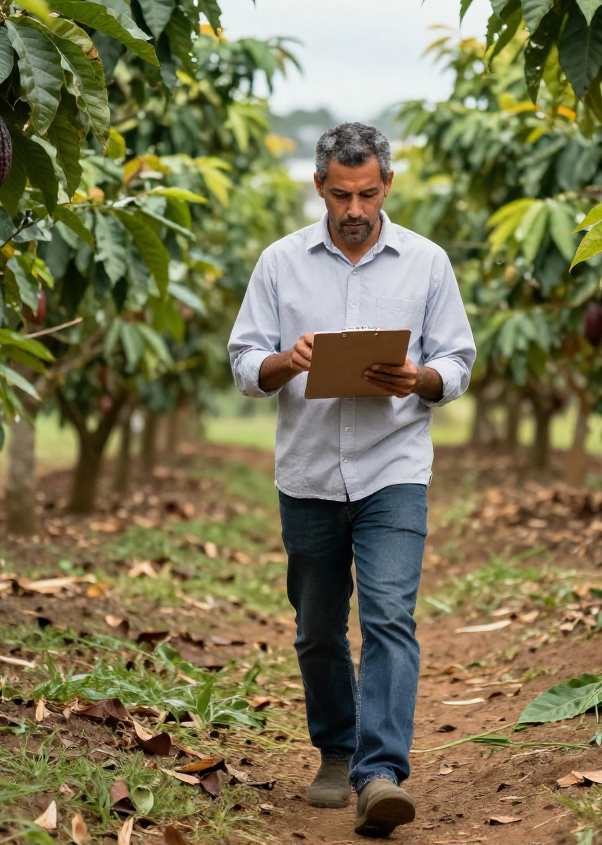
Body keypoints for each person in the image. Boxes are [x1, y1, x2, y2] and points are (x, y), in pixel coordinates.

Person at [228, 122, 476, 837]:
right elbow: (244, 362)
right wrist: (289, 360)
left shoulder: (427, 265)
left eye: (368, 193)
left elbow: (457, 361)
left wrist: (419, 377)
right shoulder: (280, 264)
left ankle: (379, 773)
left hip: (393, 470)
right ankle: (336, 749)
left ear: (388, 185)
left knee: (390, 615)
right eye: (341, 194)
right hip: (307, 475)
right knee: (316, 629)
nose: (355, 208)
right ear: (319, 188)